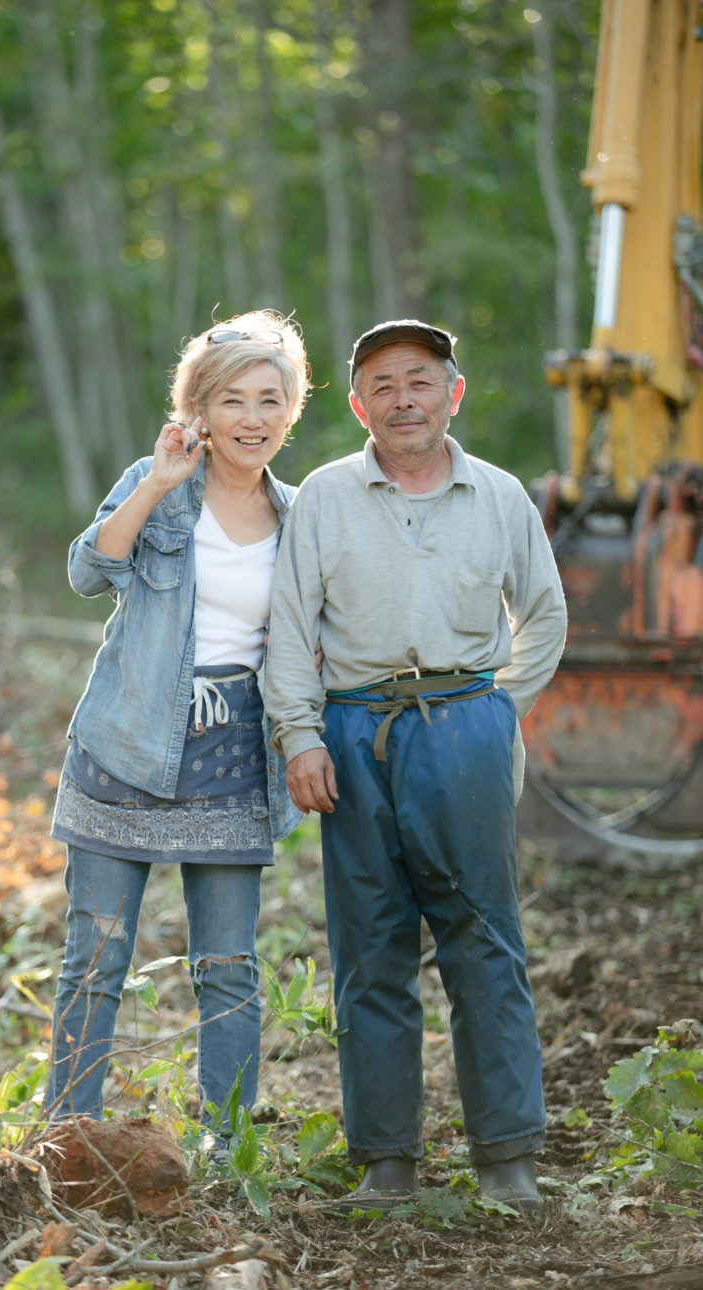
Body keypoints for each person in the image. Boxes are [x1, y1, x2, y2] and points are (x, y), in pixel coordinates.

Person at [265, 319, 567, 1215]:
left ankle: (508, 1158)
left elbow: (543, 615)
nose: (404, 398)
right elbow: (290, 626)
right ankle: (386, 1164)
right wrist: (299, 736)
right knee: (370, 949)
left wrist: (494, 713)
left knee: (484, 939)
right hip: (354, 730)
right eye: (384, 384)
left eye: (421, 380)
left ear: (452, 393)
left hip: (466, 719)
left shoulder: (501, 495)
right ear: (360, 404)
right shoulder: (324, 495)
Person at [45, 310, 309, 1132]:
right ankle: (68, 1135)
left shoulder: (301, 515)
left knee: (228, 965)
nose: (253, 419)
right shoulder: (155, 483)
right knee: (95, 956)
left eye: (271, 400)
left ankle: (228, 1148)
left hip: (234, 751)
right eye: (234, 400)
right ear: (199, 407)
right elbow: (89, 572)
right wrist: (157, 482)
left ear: (291, 411)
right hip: (127, 740)